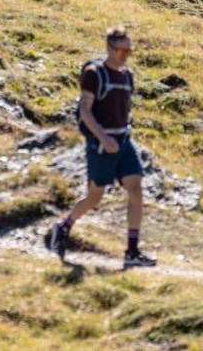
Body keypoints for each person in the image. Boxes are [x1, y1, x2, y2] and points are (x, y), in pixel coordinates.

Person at [47, 26, 156, 269]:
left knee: (136, 188)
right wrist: (103, 138)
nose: (125, 55)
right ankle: (63, 227)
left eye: (129, 50)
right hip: (100, 145)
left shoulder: (128, 75)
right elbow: (85, 111)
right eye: (121, 50)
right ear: (109, 48)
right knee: (94, 199)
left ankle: (132, 250)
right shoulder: (94, 73)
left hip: (124, 141)